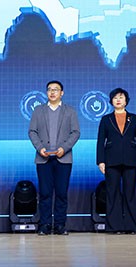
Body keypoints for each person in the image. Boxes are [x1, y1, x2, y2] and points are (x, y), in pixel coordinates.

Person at [28, 80, 80, 236]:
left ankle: (60, 225)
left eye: (56, 89)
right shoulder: (38, 110)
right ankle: (44, 225)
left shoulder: (70, 111)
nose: (52, 92)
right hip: (43, 158)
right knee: (45, 193)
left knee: (61, 193)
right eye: (50, 89)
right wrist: (40, 148)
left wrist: (64, 148)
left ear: (61, 93)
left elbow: (75, 132)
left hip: (63, 158)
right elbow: (32, 131)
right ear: (46, 93)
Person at [96, 88, 136, 234]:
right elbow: (100, 141)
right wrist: (100, 161)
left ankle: (132, 226)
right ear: (111, 101)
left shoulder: (134, 118)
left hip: (131, 160)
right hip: (111, 160)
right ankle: (114, 226)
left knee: (129, 194)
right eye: (115, 98)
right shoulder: (106, 119)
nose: (118, 100)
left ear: (126, 101)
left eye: (121, 97)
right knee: (112, 194)